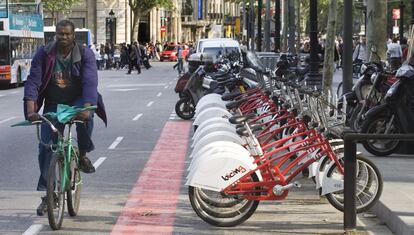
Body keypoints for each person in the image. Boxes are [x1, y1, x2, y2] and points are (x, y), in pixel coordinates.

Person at [23, 19, 107, 216]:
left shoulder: (85, 54)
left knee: (87, 120)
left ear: (73, 35)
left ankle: (83, 154)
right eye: (60, 33)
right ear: (56, 34)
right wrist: (30, 110)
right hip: (53, 102)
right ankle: (48, 195)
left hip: (79, 100)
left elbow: (89, 82)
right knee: (45, 146)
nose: (63, 37)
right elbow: (33, 80)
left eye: (67, 34)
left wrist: (87, 108)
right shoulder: (44, 53)